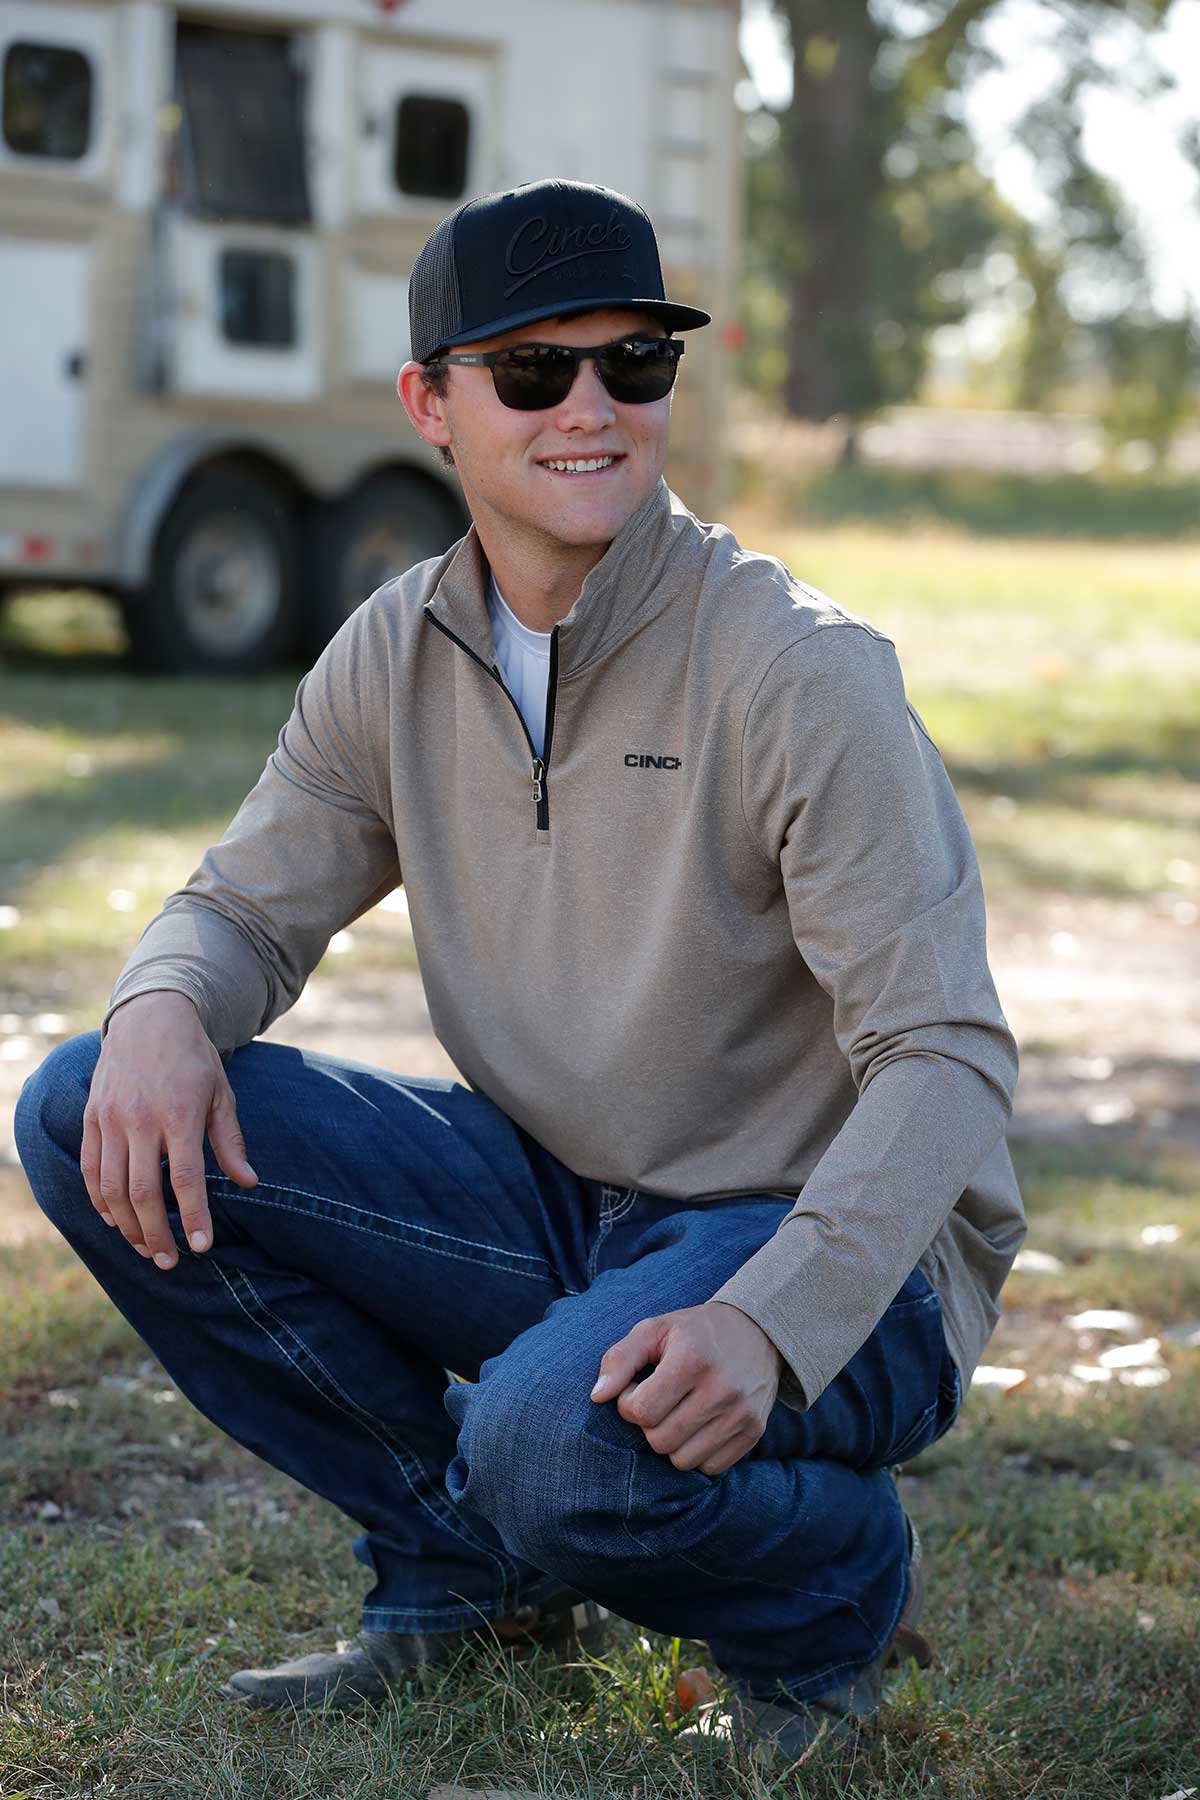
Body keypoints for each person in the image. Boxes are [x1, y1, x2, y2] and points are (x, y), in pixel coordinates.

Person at [15, 177, 1026, 1764]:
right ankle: (462, 1575)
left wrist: (767, 1323)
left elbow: (948, 1057)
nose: (593, 410)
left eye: (635, 365)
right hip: (572, 1206)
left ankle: (834, 1591)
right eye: (534, 371)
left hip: (839, 1248)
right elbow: (244, 904)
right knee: (88, 1105)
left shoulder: (798, 669)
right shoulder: (398, 651)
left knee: (553, 1443)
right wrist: (161, 1002)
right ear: (433, 402)